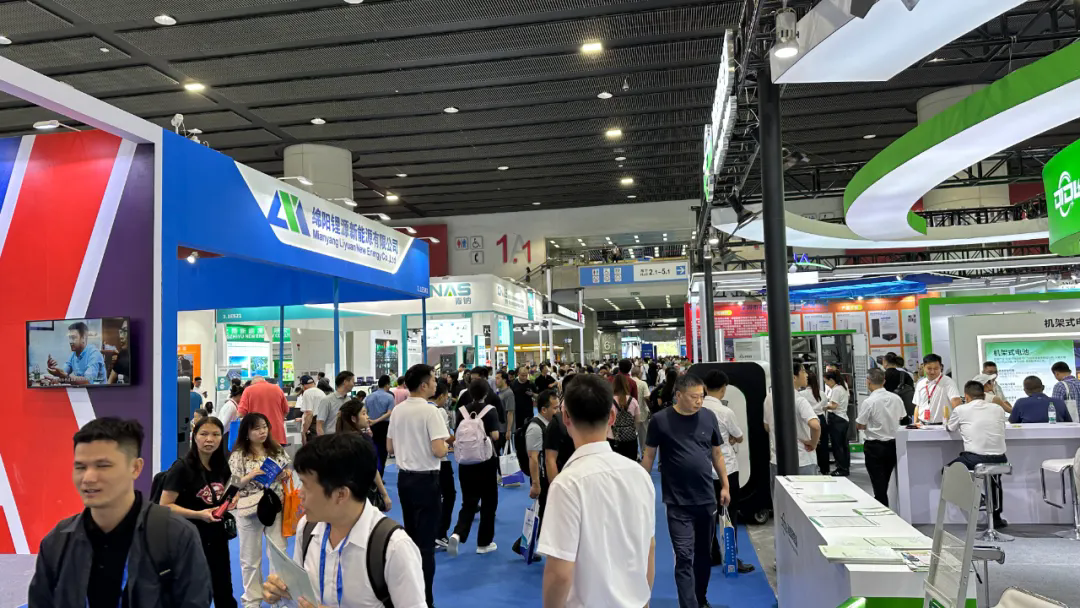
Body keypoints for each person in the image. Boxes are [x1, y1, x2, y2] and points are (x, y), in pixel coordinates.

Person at [29, 418, 211, 606]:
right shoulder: (58, 542)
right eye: (80, 467)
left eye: (103, 465)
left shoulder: (176, 536)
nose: (88, 478)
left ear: (136, 468)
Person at [261, 433, 426, 608]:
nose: (300, 494)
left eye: (306, 485)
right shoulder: (308, 528)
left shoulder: (393, 547)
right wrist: (282, 593)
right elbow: (303, 596)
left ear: (341, 494)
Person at [537, 375, 656, 608]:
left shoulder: (567, 484)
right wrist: (643, 599)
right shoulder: (639, 474)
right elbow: (649, 547)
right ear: (612, 416)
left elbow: (560, 572)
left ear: (565, 416)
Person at [642, 374, 729, 608]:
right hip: (677, 502)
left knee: (703, 556)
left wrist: (725, 485)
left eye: (702, 396)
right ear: (678, 395)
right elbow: (649, 456)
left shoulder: (709, 417)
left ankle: (700, 598)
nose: (699, 401)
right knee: (683, 556)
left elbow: (717, 454)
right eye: (693, 397)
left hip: (706, 499)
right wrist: (640, 485)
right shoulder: (660, 421)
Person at [386, 364, 449, 606]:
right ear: (423, 385)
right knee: (426, 546)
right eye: (433, 379)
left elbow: (390, 447)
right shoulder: (431, 412)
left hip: (404, 480)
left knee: (411, 540)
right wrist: (446, 446)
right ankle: (425, 601)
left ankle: (409, 597)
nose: (436, 383)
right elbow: (438, 449)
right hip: (426, 480)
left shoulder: (398, 410)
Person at [160, 416, 237, 607]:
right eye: (204, 434)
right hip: (190, 539)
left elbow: (223, 493)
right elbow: (165, 505)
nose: (209, 439)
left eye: (215, 434)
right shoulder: (182, 468)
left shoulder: (221, 465)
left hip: (217, 537)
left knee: (223, 590)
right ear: (194, 437)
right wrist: (199, 514)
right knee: (192, 593)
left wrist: (231, 501)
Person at [228, 413, 291, 608]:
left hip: (275, 505)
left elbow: (287, 468)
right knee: (250, 558)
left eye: (264, 427)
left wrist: (285, 474)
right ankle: (252, 600)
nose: (262, 431)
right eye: (256, 428)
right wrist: (250, 476)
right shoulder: (238, 455)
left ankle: (277, 599)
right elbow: (233, 484)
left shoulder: (276, 449)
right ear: (246, 432)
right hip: (250, 509)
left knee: (279, 553)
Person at [701, 371, 753, 574]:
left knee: (708, 514)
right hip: (727, 469)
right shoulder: (725, 412)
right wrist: (730, 439)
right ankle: (731, 557)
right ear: (723, 389)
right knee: (729, 514)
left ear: (705, 387)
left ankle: (712, 553)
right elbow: (738, 436)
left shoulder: (697, 408)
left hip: (703, 468)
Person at [448, 379, 501, 557]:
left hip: (465, 462)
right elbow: (495, 435)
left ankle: (458, 533)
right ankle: (484, 543)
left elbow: (456, 434)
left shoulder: (461, 411)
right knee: (488, 502)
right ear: (486, 393)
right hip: (486, 462)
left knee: (468, 502)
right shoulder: (490, 410)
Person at [946, 381, 1009, 529]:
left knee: (948, 471)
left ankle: (979, 498)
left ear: (966, 396)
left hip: (976, 458)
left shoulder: (961, 410)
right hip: (1000, 458)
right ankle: (996, 518)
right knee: (994, 480)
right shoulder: (998, 409)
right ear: (984, 395)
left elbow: (950, 428)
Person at [512, 389, 558, 559]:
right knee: (542, 513)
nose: (557, 411)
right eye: (554, 408)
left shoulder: (549, 425)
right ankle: (524, 544)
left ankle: (524, 545)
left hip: (547, 475)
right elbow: (533, 457)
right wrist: (536, 484)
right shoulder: (535, 428)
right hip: (542, 477)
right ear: (544, 410)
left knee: (544, 513)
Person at [764, 361, 822, 479]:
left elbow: (767, 426)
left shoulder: (769, 398)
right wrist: (813, 443)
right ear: (793, 377)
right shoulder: (800, 400)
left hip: (777, 459)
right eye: (803, 371)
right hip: (802, 459)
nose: (806, 375)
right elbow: (815, 426)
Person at [857, 368, 906, 506]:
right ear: (884, 381)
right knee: (887, 480)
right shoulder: (896, 398)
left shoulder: (869, 402)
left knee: (878, 484)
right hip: (893, 444)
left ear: (868, 381)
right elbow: (902, 417)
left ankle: (883, 508)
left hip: (874, 446)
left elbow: (860, 425)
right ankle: (885, 506)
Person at [335, 399, 393, 512]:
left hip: (342, 495)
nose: (367, 417)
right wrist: (385, 494)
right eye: (364, 413)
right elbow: (373, 469)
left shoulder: (336, 441)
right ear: (353, 418)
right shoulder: (362, 440)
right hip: (363, 494)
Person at [429, 382, 457, 549]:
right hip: (440, 460)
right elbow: (445, 436)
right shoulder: (438, 412)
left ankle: (432, 533)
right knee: (449, 495)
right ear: (441, 396)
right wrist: (458, 440)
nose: (447, 399)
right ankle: (440, 533)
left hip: (423, 463)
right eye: (446, 396)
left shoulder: (422, 410)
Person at [46, 321, 106, 385]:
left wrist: (65, 376)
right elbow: (63, 373)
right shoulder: (73, 355)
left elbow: (87, 382)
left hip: (97, 391)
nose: (70, 342)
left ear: (83, 338)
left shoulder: (94, 354)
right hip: (81, 390)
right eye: (69, 338)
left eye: (73, 338)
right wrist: (54, 369)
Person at [238, 376, 290, 444]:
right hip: (277, 435)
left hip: (257, 435)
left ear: (252, 383)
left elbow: (240, 414)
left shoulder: (248, 390)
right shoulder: (277, 389)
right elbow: (286, 411)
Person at [545, 375, 578, 483]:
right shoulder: (557, 421)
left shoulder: (588, 416)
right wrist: (556, 487)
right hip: (565, 476)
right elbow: (550, 459)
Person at [914, 354, 962, 424]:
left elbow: (956, 402)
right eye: (929, 369)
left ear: (941, 367)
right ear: (924, 367)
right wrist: (915, 423)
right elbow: (917, 406)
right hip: (922, 424)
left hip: (942, 425)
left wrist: (956, 423)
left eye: (936, 368)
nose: (932, 372)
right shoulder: (920, 384)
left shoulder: (948, 382)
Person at [366, 375, 396, 476]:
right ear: (387, 385)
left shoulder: (369, 397)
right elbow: (389, 413)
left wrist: (370, 423)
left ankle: (373, 477)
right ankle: (380, 476)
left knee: (372, 452)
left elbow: (365, 412)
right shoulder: (389, 397)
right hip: (384, 427)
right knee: (383, 453)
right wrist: (377, 421)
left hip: (371, 426)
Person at [823, 371, 851, 477]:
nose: (826, 384)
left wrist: (823, 406)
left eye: (826, 382)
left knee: (837, 446)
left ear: (831, 380)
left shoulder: (836, 390)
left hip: (836, 419)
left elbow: (833, 406)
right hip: (843, 419)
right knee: (843, 445)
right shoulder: (842, 388)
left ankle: (841, 469)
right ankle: (845, 467)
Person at [801, 373, 829, 475]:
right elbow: (825, 406)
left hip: (809, 420)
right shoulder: (821, 393)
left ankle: (814, 467)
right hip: (821, 419)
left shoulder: (802, 394)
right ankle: (825, 469)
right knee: (824, 445)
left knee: (811, 445)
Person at [608, 373, 640, 460]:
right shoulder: (633, 401)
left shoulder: (609, 401)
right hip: (630, 438)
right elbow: (638, 421)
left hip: (613, 438)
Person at [631, 365, 652, 456]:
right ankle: (643, 453)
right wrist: (650, 409)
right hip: (642, 412)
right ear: (639, 373)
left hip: (630, 413)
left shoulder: (628, 382)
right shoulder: (643, 384)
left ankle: (635, 454)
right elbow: (647, 397)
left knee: (632, 436)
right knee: (643, 435)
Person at [494, 370, 515, 454]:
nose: (496, 380)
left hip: (504, 430)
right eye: (495, 378)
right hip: (498, 428)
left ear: (504, 380)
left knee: (507, 454)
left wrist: (508, 430)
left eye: (498, 378)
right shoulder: (499, 392)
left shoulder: (509, 393)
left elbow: (510, 413)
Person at [296, 374, 321, 444]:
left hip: (312, 427)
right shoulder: (320, 392)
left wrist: (304, 432)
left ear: (304, 385)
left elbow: (309, 413)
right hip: (319, 426)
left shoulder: (307, 392)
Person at [510, 365, 535, 433]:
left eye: (526, 375)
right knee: (518, 431)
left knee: (529, 430)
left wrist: (532, 394)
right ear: (518, 374)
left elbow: (538, 396)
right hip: (517, 411)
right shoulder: (513, 384)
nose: (524, 377)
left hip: (528, 412)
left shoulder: (530, 384)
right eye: (522, 375)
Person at [106, 318, 130, 384]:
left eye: (125, 331)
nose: (121, 337)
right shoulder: (122, 354)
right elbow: (109, 381)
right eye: (121, 331)